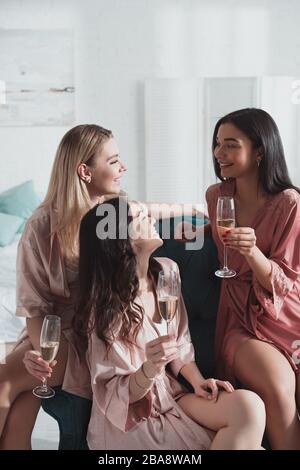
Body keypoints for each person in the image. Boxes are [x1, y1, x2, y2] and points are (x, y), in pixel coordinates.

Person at [71, 197, 265, 450]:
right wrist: (150, 367)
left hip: (172, 396)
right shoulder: (106, 310)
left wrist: (197, 382)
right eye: (141, 218)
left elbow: (180, 341)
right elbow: (118, 395)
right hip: (132, 418)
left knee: (249, 406)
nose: (152, 219)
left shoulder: (167, 271)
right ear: (120, 240)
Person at [179, 108, 300, 449]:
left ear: (260, 150)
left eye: (231, 145)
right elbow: (222, 231)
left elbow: (283, 284)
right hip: (240, 320)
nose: (219, 154)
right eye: (218, 144)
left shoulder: (289, 204)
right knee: (277, 388)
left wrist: (252, 252)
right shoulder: (217, 196)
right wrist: (200, 232)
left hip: (284, 314)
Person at [0, 124, 127, 449]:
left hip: (95, 342)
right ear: (84, 171)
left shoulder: (115, 215)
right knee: (17, 418)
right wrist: (40, 354)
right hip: (52, 337)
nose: (122, 168)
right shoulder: (42, 225)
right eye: (113, 161)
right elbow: (34, 305)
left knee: (2, 383)